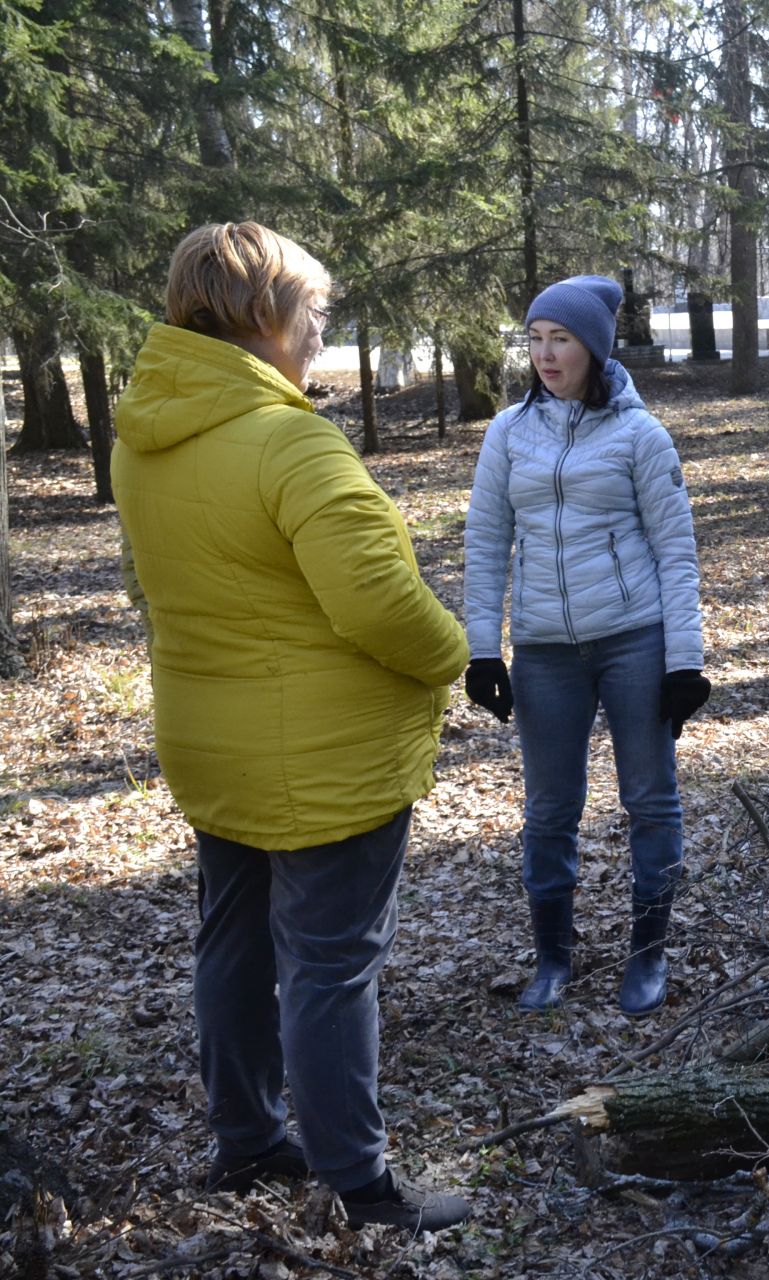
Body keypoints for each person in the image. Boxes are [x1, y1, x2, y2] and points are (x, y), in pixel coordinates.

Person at [112, 223, 473, 1231]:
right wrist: (459, 652)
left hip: (211, 736)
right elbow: (380, 607)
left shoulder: (144, 435)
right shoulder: (289, 439)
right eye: (312, 310)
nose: (320, 330)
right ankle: (359, 1184)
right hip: (324, 755)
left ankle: (249, 1141)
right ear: (263, 314)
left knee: (232, 941)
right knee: (329, 961)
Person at [462, 275, 710, 1016]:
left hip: (634, 642)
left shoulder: (640, 435)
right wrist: (483, 650)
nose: (543, 353)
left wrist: (684, 662)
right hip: (543, 651)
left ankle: (647, 956)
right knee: (548, 813)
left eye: (559, 339)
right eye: (534, 338)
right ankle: (552, 960)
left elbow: (676, 551)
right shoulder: (508, 432)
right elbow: (486, 544)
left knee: (651, 802)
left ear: (593, 348)